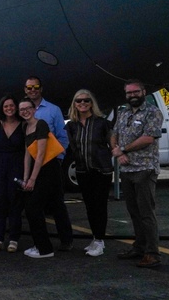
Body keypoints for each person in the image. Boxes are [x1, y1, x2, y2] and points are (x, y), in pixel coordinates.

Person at [110, 80, 163, 268]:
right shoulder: (123, 113)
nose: (132, 95)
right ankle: (139, 247)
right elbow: (113, 133)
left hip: (144, 169)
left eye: (136, 92)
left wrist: (123, 149)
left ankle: (152, 253)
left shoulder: (153, 112)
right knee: (133, 212)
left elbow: (148, 138)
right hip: (126, 169)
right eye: (129, 92)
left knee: (146, 212)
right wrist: (117, 151)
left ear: (144, 91)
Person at [23, 76, 73, 250]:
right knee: (35, 205)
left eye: (36, 86)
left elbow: (62, 135)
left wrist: (58, 159)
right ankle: (41, 242)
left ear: (41, 88)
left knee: (57, 204)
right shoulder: (24, 111)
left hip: (51, 164)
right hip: (35, 165)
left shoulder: (53, 110)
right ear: (25, 90)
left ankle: (66, 240)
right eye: (29, 87)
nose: (32, 90)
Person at [65, 89, 113, 257]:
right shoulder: (71, 125)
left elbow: (112, 144)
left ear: (92, 103)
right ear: (74, 104)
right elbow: (71, 147)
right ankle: (95, 237)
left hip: (101, 170)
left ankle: (100, 240)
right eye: (79, 101)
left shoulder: (102, 123)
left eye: (86, 101)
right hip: (82, 170)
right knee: (89, 206)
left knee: (100, 205)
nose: (82, 104)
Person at [20, 97, 64, 259]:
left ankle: (45, 248)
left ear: (34, 109)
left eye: (27, 108)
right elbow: (27, 154)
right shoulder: (26, 127)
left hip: (47, 170)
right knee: (31, 208)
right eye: (22, 109)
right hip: (36, 170)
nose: (25, 111)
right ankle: (39, 244)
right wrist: (25, 178)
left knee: (34, 207)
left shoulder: (41, 124)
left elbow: (40, 154)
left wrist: (32, 179)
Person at [0, 95, 25, 253]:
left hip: (16, 165)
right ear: (1, 108)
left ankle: (14, 238)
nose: (9, 108)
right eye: (6, 106)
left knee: (15, 201)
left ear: (16, 107)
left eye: (11, 105)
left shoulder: (23, 124)